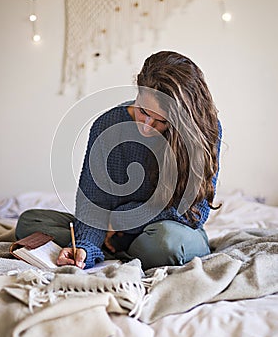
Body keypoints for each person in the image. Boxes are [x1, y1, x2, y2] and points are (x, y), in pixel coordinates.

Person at [15, 51, 222, 271]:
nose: (146, 125)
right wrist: (84, 246)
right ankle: (112, 248)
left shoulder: (204, 130)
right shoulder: (107, 125)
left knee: (167, 243)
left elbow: (193, 213)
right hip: (115, 230)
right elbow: (93, 204)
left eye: (161, 121)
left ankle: (119, 246)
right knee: (31, 222)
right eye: (143, 111)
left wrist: (119, 221)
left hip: (169, 230)